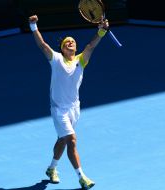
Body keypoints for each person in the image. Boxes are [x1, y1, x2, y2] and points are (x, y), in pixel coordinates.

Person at [29, 14, 109, 189]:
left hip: (74, 108)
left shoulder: (81, 60)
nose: (70, 43)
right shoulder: (56, 59)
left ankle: (51, 168)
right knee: (72, 139)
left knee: (62, 140)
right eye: (67, 42)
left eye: (73, 41)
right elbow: (42, 46)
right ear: (62, 48)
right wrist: (33, 26)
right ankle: (81, 177)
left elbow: (91, 45)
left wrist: (102, 31)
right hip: (59, 109)